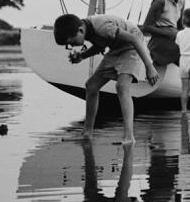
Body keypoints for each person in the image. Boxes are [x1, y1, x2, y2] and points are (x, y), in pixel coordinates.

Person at [53, 12, 159, 145]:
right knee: (91, 86)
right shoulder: (88, 29)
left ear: (80, 30)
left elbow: (134, 39)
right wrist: (82, 56)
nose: (72, 46)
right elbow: (100, 45)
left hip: (132, 47)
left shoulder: (103, 27)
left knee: (122, 87)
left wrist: (149, 67)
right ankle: (87, 133)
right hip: (116, 49)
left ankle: (129, 137)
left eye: (72, 42)